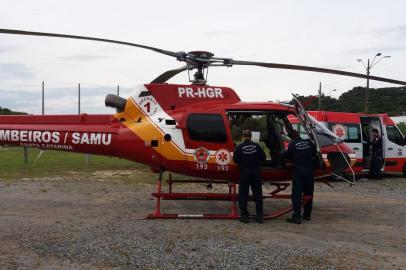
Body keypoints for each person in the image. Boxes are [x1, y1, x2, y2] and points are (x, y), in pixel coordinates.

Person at [233, 129, 266, 224]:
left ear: (243, 137)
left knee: (243, 194)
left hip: (244, 173)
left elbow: (235, 160)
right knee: (258, 195)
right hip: (255, 173)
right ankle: (259, 216)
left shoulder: (239, 147)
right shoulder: (257, 146)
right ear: (251, 137)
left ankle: (244, 216)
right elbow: (263, 159)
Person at [283, 130, 315, 224]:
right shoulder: (309, 143)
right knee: (308, 194)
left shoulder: (292, 145)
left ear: (291, 137)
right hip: (309, 172)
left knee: (296, 195)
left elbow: (287, 155)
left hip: (299, 172)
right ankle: (307, 215)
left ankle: (296, 217)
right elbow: (313, 154)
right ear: (298, 135)